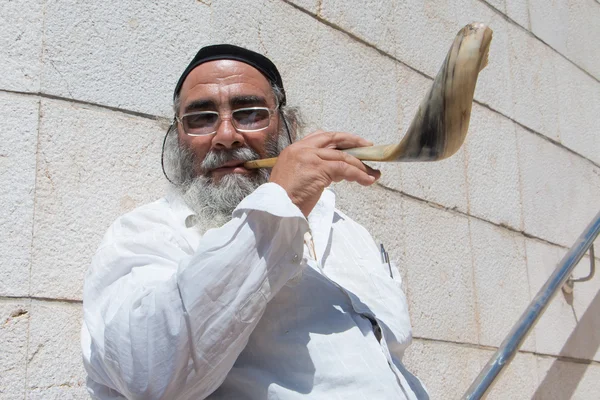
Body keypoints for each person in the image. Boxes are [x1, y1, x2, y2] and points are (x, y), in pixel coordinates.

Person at [82, 44, 427, 400]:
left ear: (288, 126)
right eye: (201, 118)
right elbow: (149, 373)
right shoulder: (146, 234)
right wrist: (281, 204)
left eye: (250, 113)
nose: (226, 135)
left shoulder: (347, 231)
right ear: (177, 137)